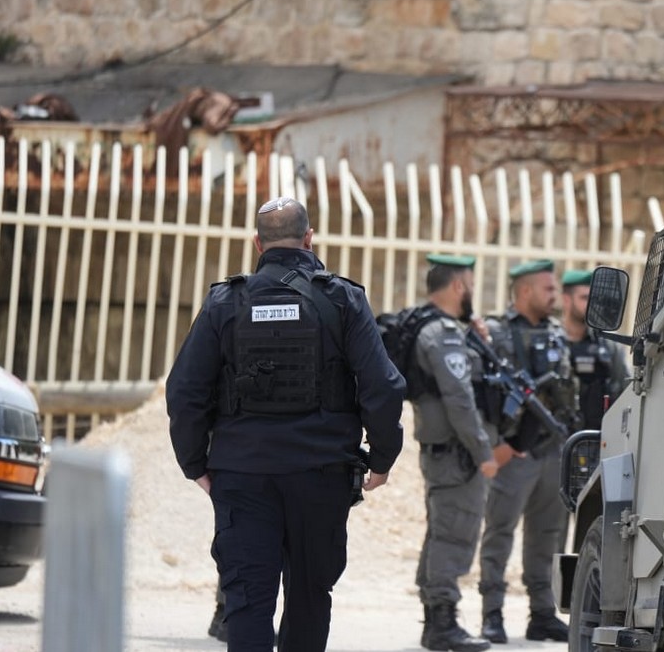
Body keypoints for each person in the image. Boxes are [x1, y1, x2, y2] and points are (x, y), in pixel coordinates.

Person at [167, 197, 405, 652]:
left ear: (257, 243)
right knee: (310, 598)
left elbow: (184, 391)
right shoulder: (342, 300)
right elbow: (384, 386)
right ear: (309, 238)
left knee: (247, 601)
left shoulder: (225, 301)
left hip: (242, 476)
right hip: (322, 476)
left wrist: (196, 465)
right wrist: (382, 458)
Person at [477, 259, 579, 644]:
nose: (555, 296)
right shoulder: (497, 333)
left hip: (552, 450)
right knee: (500, 532)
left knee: (548, 536)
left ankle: (542, 612)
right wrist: (500, 445)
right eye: (548, 289)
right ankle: (492, 613)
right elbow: (484, 395)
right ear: (524, 292)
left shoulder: (555, 334)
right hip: (515, 450)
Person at [410, 255, 497, 652]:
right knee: (454, 533)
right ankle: (442, 623)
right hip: (456, 454)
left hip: (445, 452)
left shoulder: (447, 331)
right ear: (459, 286)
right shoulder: (441, 334)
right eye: (471, 286)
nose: (472, 294)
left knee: (443, 530)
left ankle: (436, 620)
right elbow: (460, 400)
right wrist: (483, 451)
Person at [560, 269, 630, 431]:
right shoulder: (550, 340)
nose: (591, 304)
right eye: (584, 298)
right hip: (554, 443)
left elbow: (626, 389)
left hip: (597, 439)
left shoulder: (607, 344)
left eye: (594, 298)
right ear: (566, 300)